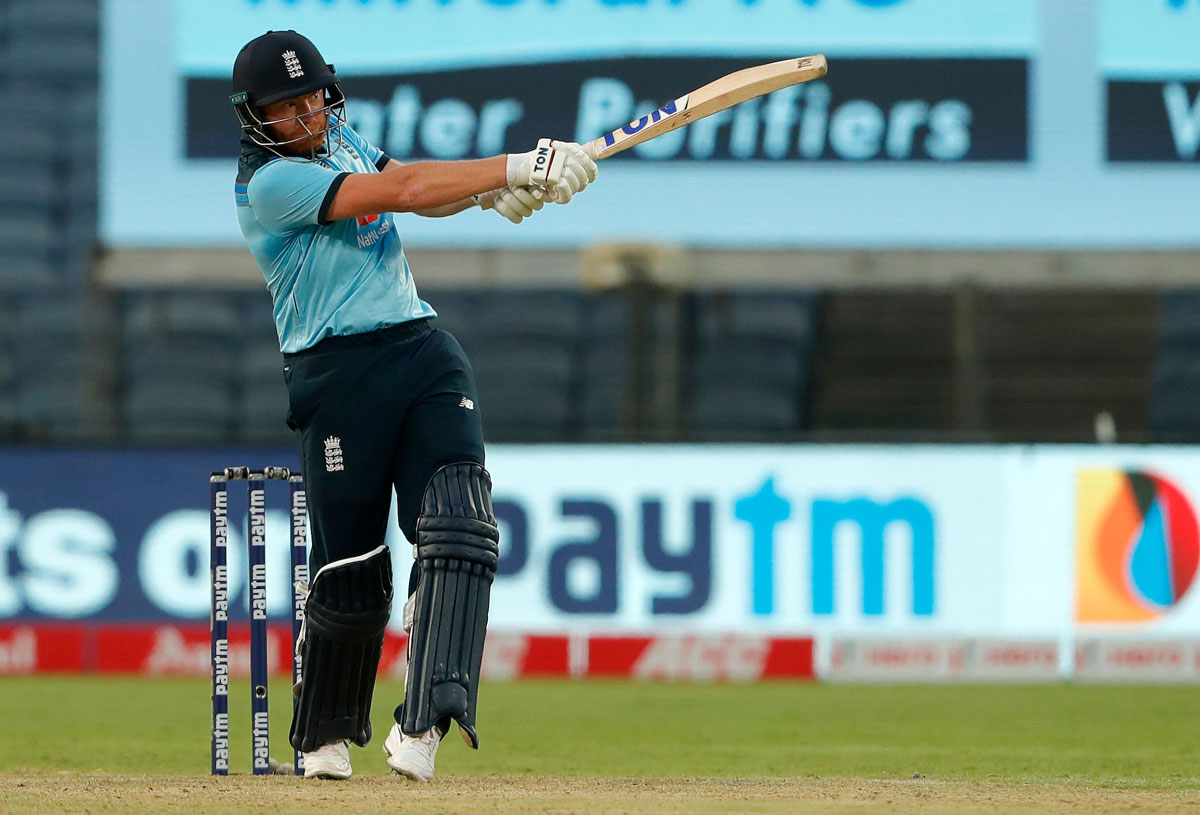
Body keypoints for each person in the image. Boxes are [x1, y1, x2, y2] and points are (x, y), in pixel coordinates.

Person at [229, 30, 598, 781]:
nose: (307, 114)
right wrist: (518, 162)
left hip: (420, 347)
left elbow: (418, 185)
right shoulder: (269, 186)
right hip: (336, 371)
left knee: (461, 521)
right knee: (355, 570)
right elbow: (400, 193)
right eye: (287, 105)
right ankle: (324, 730)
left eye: (313, 96)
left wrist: (494, 193)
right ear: (255, 118)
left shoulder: (342, 139)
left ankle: (424, 721)